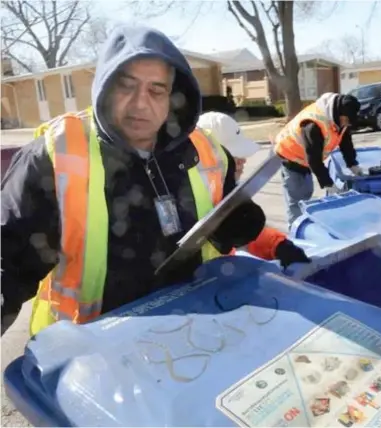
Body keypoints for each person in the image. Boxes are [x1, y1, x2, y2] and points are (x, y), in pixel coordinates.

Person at [1, 25, 268, 336]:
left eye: (156, 90)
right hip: (91, 353)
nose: (141, 104)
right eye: (126, 86)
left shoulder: (204, 149)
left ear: (173, 97)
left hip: (194, 331)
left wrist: (235, 226)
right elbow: (8, 259)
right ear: (104, 87)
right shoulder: (55, 155)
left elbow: (220, 212)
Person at [197, 111, 311, 268]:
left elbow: (242, 231)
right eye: (234, 157)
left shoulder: (222, 189)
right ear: (209, 159)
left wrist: (277, 245)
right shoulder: (192, 197)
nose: (243, 161)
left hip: (220, 276)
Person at [273, 92, 363, 228]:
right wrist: (328, 184)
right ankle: (295, 232)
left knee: (307, 192)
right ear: (338, 113)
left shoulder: (339, 119)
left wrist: (352, 164)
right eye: (346, 120)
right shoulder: (313, 124)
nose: (346, 124)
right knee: (298, 199)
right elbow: (313, 159)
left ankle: (303, 226)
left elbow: (345, 142)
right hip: (291, 156)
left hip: (305, 159)